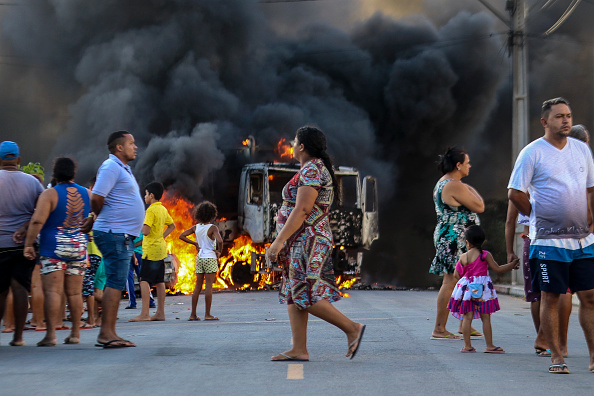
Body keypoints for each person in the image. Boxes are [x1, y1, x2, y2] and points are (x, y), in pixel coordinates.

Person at [508, 97, 594, 374]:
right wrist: (536, 215)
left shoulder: (581, 150)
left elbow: (591, 189)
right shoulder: (532, 152)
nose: (566, 120)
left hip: (583, 240)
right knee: (551, 296)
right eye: (559, 116)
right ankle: (557, 356)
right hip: (548, 241)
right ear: (545, 121)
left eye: (568, 115)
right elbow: (515, 193)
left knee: (590, 296)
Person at [267, 126, 365, 361]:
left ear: (302, 146)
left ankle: (352, 328)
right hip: (301, 239)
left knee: (305, 293)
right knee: (294, 292)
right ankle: (299, 349)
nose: (291, 145)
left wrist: (278, 242)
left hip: (307, 239)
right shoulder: (313, 168)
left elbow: (302, 209)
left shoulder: (312, 169)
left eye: (294, 141)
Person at [81, 130, 145, 348]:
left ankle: (110, 332)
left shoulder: (121, 168)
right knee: (116, 283)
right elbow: (97, 197)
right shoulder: (110, 167)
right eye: (131, 143)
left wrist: (94, 218)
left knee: (116, 283)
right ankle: (106, 334)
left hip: (119, 233)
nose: (135, 147)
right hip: (114, 233)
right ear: (119, 147)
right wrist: (96, 216)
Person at [24, 157, 91, 346]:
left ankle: (51, 335)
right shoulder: (87, 193)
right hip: (78, 247)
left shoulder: (49, 194)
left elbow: (37, 221)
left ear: (55, 174)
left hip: (53, 248)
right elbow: (101, 207)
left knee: (53, 292)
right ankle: (76, 334)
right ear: (74, 173)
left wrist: (29, 244)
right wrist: (92, 220)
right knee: (76, 294)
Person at [430, 146, 485, 340]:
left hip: (453, 235)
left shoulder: (445, 182)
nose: (470, 166)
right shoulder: (454, 184)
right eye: (467, 163)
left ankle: (465, 324)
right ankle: (439, 328)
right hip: (454, 238)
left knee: (465, 278)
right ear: (458, 165)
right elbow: (479, 206)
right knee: (451, 280)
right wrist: (469, 188)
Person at [448, 225, 519, 353]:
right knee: (485, 318)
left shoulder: (464, 257)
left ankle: (467, 346)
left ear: (467, 242)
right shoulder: (485, 255)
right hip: (483, 290)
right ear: (483, 241)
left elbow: (456, 275)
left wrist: (467, 276)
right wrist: (511, 266)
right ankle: (490, 346)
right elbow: (497, 269)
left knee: (467, 317)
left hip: (468, 291)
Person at [0, 141, 44, 346]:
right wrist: (25, 228)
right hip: (24, 245)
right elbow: (41, 212)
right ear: (18, 160)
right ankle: (18, 337)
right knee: (20, 289)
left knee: (0, 291)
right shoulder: (33, 183)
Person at [129, 182, 175, 322]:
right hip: (160, 249)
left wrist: (141, 225)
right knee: (160, 281)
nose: (144, 197)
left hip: (151, 251)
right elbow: (171, 226)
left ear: (152, 195)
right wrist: (161, 236)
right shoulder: (162, 209)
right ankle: (160, 313)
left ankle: (144, 314)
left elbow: (146, 231)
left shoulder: (150, 211)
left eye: (146, 194)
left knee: (144, 280)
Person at [179, 201, 223, 321]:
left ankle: (192, 314)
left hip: (200, 258)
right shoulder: (213, 228)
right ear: (213, 215)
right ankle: (207, 314)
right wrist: (219, 251)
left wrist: (194, 243)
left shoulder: (196, 227)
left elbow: (181, 235)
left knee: (197, 286)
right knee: (208, 286)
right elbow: (219, 241)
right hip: (210, 258)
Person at [125, 235, 155, 309]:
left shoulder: (128, 225)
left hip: (129, 254)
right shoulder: (142, 226)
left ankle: (132, 303)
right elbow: (145, 239)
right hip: (140, 253)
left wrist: (132, 247)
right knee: (143, 279)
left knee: (129, 279)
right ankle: (150, 301)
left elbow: (127, 241)